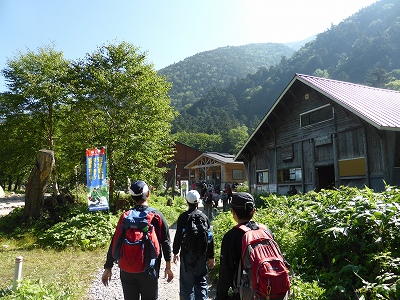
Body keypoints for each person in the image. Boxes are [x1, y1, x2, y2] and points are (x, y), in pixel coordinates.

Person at [102, 180, 174, 300]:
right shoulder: (157, 216)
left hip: (127, 270)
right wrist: (168, 267)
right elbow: (165, 242)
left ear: (132, 197)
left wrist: (108, 267)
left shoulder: (125, 216)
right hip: (149, 269)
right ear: (148, 194)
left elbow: (115, 242)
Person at [216, 192, 289, 300]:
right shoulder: (266, 231)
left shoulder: (231, 237)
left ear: (233, 212)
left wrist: (220, 297)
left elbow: (225, 274)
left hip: (245, 294)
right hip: (270, 290)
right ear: (254, 211)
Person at [173, 190, 215, 300]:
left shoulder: (183, 217)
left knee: (186, 283)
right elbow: (210, 238)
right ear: (198, 202)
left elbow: (178, 236)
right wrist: (211, 257)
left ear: (187, 202)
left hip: (187, 253)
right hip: (202, 253)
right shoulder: (204, 217)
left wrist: (175, 252)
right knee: (201, 280)